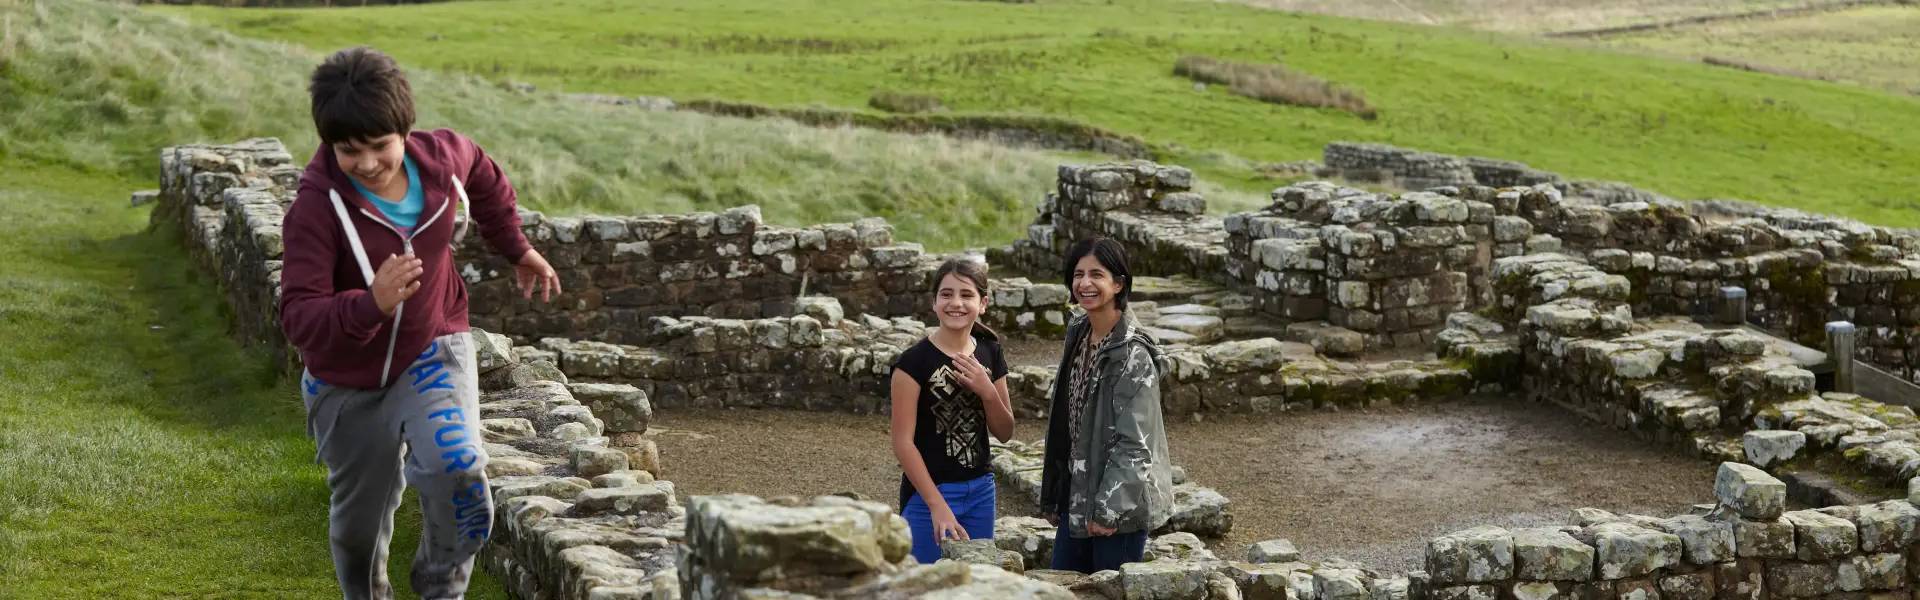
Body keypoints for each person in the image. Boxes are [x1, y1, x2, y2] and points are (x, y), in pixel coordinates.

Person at [279, 46, 561, 600]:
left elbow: (481, 171)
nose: (364, 164)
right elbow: (298, 316)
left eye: (378, 146)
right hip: (346, 381)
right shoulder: (315, 210)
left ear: (404, 130)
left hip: (432, 346)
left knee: (458, 470)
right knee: (359, 532)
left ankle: (440, 588)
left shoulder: (441, 159)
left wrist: (515, 246)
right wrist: (370, 304)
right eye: (347, 150)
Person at [1039, 237, 1174, 573]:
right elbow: (1067, 421)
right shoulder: (1080, 331)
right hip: (1078, 492)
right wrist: (1058, 490)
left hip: (1118, 509)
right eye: (1078, 274)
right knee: (1064, 586)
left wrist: (1109, 510)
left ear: (1118, 283)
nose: (1085, 283)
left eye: (1096, 274)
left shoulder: (1133, 354)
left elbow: (1136, 444)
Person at [889, 257, 1016, 564]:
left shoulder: (990, 351)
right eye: (946, 294)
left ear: (982, 303)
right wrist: (937, 505)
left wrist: (987, 390)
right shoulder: (912, 363)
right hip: (928, 495)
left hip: (981, 492)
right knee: (922, 586)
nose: (956, 303)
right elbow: (903, 442)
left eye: (966, 295)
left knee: (975, 584)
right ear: (934, 302)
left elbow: (1005, 432)